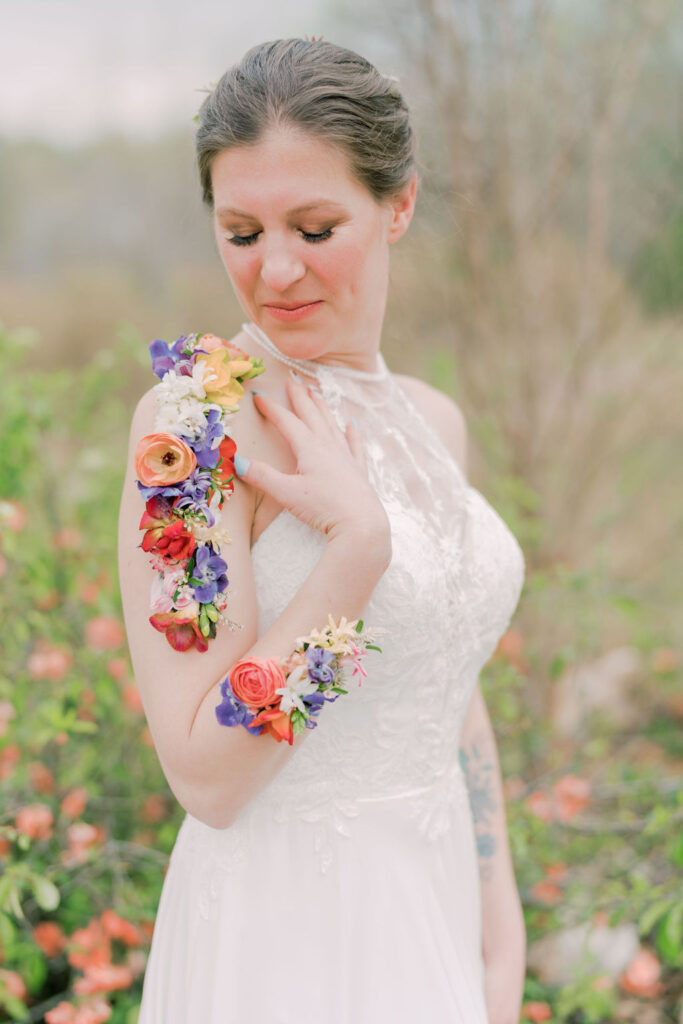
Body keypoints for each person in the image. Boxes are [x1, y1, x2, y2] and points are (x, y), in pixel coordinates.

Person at [117, 37, 526, 1024]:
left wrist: (495, 930)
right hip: (285, 938)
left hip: (429, 911)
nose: (278, 269)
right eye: (243, 231)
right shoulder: (196, 427)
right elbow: (207, 778)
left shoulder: (433, 423)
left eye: (313, 225)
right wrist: (349, 565)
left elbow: (446, 694)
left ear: (398, 205)